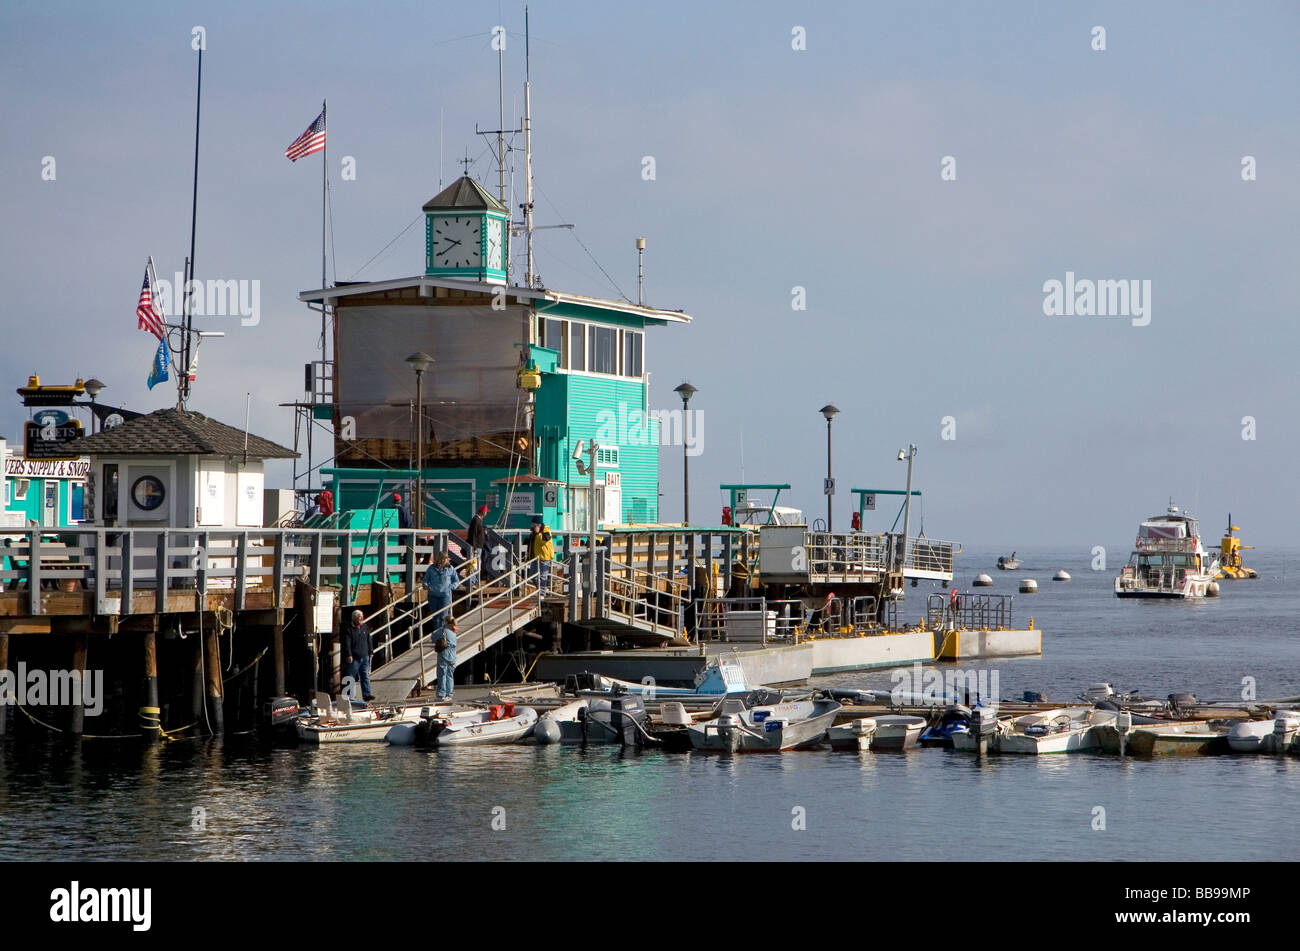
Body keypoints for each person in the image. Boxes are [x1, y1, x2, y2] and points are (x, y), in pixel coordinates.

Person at [423, 550, 463, 637]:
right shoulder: (431, 568)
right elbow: (425, 580)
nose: (444, 561)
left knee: (443, 617)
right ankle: (438, 634)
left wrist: (451, 587)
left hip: (445, 595)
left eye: (446, 559)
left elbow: (456, 581)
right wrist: (426, 585)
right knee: (435, 617)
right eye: (443, 559)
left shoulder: (450, 568)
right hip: (433, 595)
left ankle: (442, 635)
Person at [341, 609, 375, 702]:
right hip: (354, 657)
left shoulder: (365, 627)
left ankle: (367, 695)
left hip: (365, 656)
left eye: (361, 617)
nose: (361, 619)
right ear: (354, 618)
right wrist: (349, 654)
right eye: (359, 617)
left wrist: (371, 651)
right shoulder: (349, 629)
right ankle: (351, 697)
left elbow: (369, 639)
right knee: (351, 676)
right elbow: (347, 643)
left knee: (365, 676)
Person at [435, 616, 459, 700]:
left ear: (445, 622)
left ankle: (442, 694)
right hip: (453, 657)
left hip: (444, 655)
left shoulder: (443, 630)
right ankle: (449, 694)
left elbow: (433, 637)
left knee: (442, 675)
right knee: (450, 676)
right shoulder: (454, 632)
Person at [529, 516, 554, 592]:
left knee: (543, 576)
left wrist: (538, 533)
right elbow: (531, 545)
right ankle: (542, 589)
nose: (532, 527)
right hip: (535, 557)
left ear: (538, 525)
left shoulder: (546, 531)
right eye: (532, 525)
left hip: (544, 557)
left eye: (534, 525)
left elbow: (544, 541)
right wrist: (528, 555)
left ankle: (542, 593)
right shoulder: (533, 533)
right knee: (533, 575)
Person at [468, 504, 488, 583]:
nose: (486, 513)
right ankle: (472, 580)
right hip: (476, 546)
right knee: (474, 563)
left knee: (476, 563)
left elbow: (477, 532)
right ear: (483, 511)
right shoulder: (476, 520)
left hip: (479, 546)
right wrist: (474, 547)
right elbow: (473, 534)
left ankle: (474, 580)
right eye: (486, 511)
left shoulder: (478, 520)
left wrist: (483, 531)